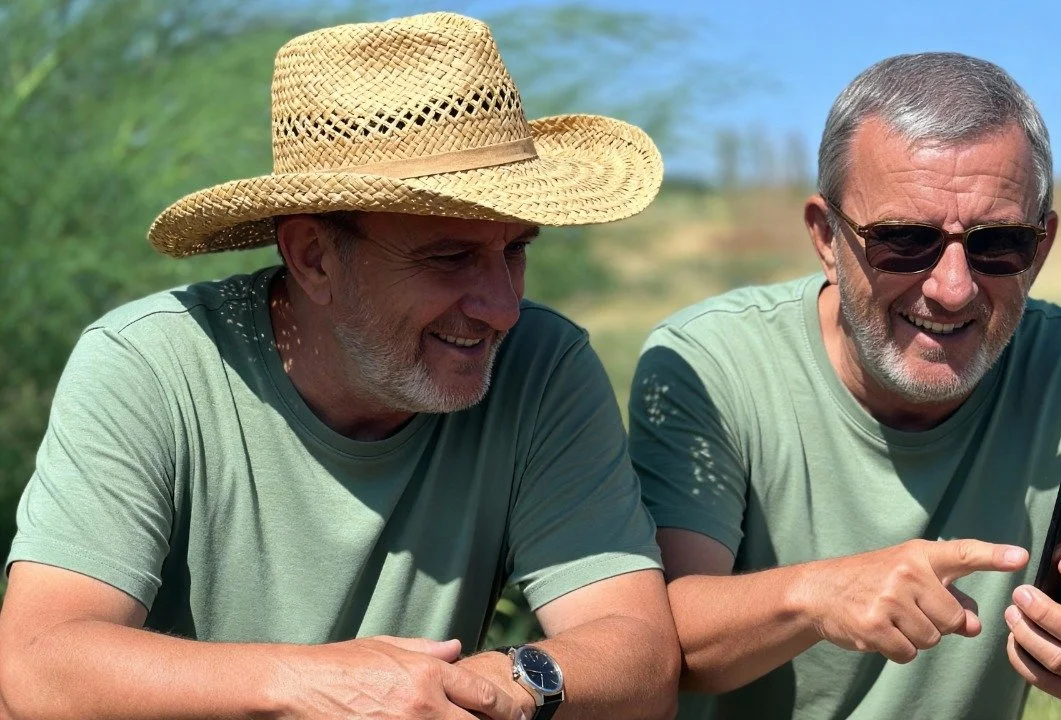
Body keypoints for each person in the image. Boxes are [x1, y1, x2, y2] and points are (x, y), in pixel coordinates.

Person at [0, 12, 679, 720]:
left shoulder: (541, 366)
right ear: (314, 257)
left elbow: (639, 653)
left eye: (515, 249)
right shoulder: (153, 364)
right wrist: (314, 687)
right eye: (450, 257)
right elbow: (41, 665)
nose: (502, 307)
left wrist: (506, 684)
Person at [628, 53, 1061, 719]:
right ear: (826, 237)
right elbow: (660, 644)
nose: (952, 288)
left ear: (1042, 247)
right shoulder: (713, 362)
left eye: (997, 243)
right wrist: (820, 595)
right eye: (904, 241)